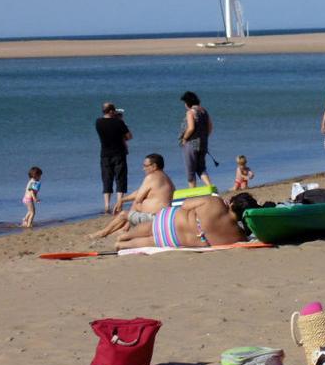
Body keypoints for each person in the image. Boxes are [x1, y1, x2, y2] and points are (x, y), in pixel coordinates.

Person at [115, 192, 259, 250]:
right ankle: (122, 245)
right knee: (148, 242)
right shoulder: (238, 236)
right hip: (173, 240)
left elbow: (185, 205)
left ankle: (123, 236)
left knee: (149, 228)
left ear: (232, 203)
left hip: (171, 221)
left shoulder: (215, 202)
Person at [89, 153, 175, 240]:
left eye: (145, 166)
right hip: (164, 218)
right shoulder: (167, 179)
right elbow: (139, 192)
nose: (143, 168)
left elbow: (138, 198)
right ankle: (125, 229)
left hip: (154, 219)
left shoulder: (151, 177)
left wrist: (122, 201)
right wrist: (122, 200)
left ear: (154, 166)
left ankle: (102, 233)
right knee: (135, 204)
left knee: (123, 214)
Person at [96, 102, 132, 214]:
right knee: (120, 178)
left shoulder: (98, 122)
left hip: (105, 154)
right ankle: (119, 204)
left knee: (107, 178)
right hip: (119, 153)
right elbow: (129, 136)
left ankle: (107, 205)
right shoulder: (119, 122)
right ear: (111, 111)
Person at [179, 91, 213, 188]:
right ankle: (210, 187)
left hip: (192, 143)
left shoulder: (190, 112)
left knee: (190, 170)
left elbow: (191, 128)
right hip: (203, 143)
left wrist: (184, 138)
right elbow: (210, 127)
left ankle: (192, 192)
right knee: (201, 168)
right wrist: (204, 137)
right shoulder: (204, 111)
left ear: (187, 103)